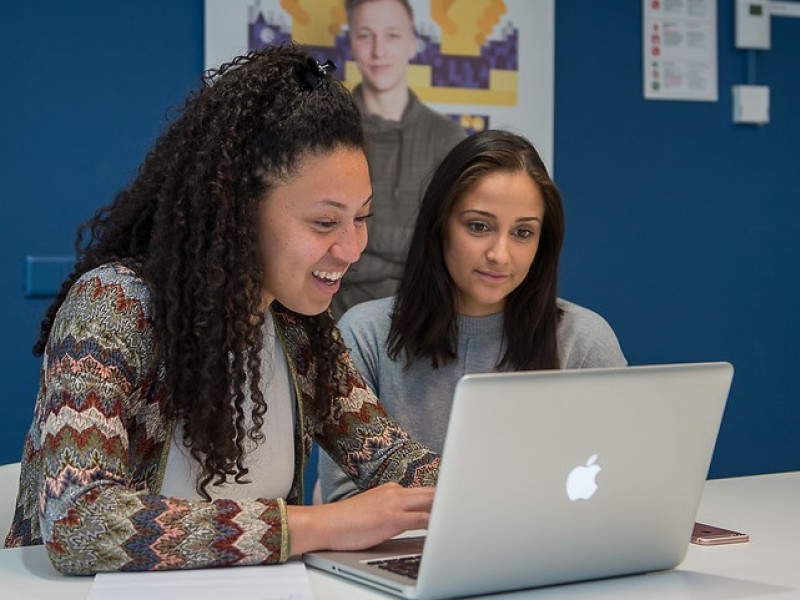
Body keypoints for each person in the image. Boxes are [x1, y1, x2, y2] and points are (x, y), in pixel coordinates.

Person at [4, 43, 439, 575]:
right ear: (238, 212)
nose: (351, 248)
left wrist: (490, 493)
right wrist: (318, 525)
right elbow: (78, 523)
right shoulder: (114, 307)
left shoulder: (301, 329)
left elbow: (391, 458)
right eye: (325, 223)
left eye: (362, 217)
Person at [319, 130, 626, 502]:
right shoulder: (365, 334)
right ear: (440, 225)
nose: (500, 254)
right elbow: (345, 500)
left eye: (523, 232)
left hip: (553, 552)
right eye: (479, 226)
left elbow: (620, 487)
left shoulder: (584, 339)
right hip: (407, 553)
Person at [330, 0, 467, 317]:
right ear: (351, 43)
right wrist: (410, 244)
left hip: (420, 325)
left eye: (392, 35)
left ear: (412, 43)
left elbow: (448, 251)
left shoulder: (447, 139)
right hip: (332, 326)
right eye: (365, 35)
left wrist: (370, 250)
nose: (378, 51)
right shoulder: (327, 131)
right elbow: (318, 246)